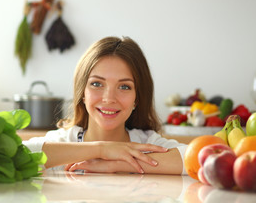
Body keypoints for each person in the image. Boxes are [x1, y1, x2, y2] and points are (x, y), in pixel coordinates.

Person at [24, 36, 187, 174]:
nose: (109, 98)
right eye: (96, 84)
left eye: (124, 87)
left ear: (137, 98)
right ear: (82, 93)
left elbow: (201, 158)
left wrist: (117, 164)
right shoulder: (62, 142)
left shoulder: (148, 145)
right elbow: (15, 155)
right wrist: (102, 149)